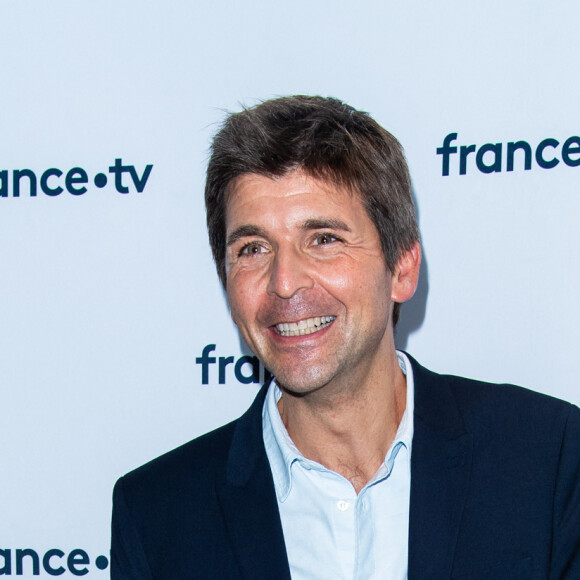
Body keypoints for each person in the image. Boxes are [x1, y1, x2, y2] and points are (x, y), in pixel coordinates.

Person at [111, 96, 580, 579]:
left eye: (324, 239)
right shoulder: (156, 516)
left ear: (402, 267)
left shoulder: (547, 460)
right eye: (252, 248)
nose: (285, 281)